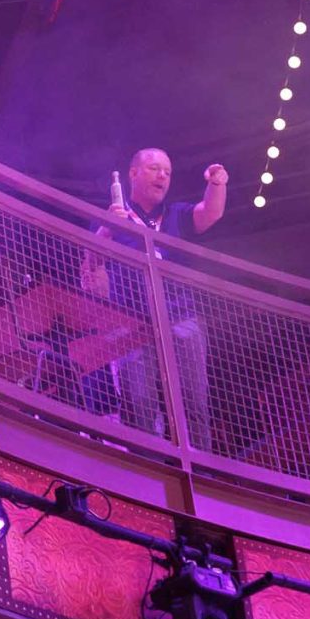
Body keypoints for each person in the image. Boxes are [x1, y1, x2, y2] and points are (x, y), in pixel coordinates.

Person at [87, 147, 224, 442]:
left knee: (194, 402)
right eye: (154, 169)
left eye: (168, 172)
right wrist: (106, 230)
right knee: (139, 404)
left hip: (180, 316)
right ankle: (147, 464)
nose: (162, 176)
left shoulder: (175, 214)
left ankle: (198, 464)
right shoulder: (112, 216)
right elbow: (89, 267)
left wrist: (217, 184)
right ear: (133, 174)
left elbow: (210, 213)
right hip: (128, 321)